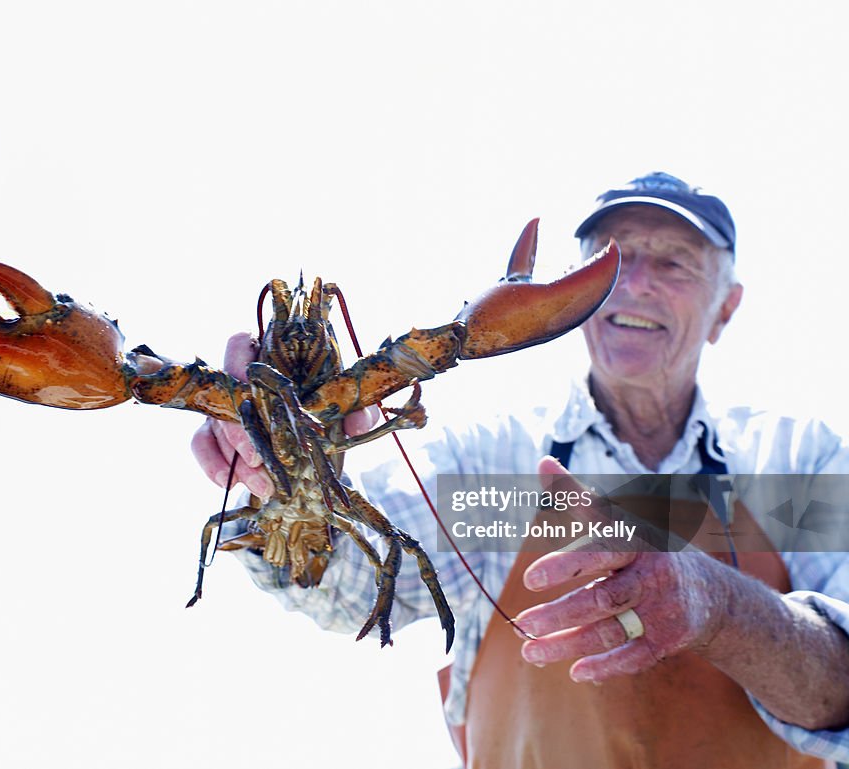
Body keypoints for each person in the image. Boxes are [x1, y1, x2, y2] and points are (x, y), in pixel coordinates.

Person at [191, 172, 849, 767]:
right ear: (575, 291)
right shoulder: (495, 466)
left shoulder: (797, 466)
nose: (639, 281)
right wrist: (278, 475)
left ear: (726, 306)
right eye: (615, 258)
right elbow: (347, 586)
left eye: (675, 261)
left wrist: (720, 604)